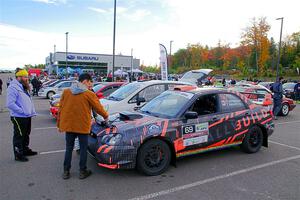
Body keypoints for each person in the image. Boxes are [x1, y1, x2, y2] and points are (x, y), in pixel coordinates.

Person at [57, 73, 109, 180]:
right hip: (82, 127)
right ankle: (82, 171)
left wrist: (59, 124)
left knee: (68, 149)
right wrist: (106, 116)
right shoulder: (88, 94)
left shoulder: (66, 92)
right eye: (90, 83)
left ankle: (66, 172)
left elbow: (60, 109)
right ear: (85, 81)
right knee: (84, 149)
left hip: (69, 126)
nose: (91, 86)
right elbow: (98, 107)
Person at [6, 68, 37, 162]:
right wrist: (22, 111)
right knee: (19, 135)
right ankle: (18, 154)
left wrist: (28, 111)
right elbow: (10, 103)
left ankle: (25, 150)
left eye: (27, 77)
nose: (27, 78)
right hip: (19, 116)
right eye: (25, 77)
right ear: (18, 77)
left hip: (27, 115)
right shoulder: (13, 87)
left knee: (26, 134)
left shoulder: (23, 86)